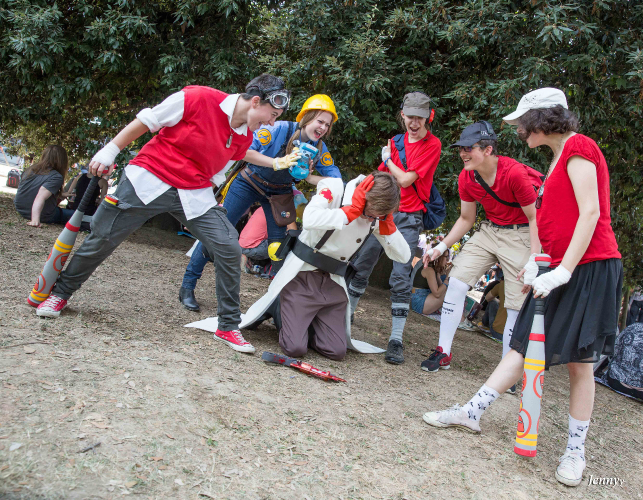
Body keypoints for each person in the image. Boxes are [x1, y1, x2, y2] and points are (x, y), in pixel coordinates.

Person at [423, 88, 623, 487]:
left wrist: (563, 271)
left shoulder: (579, 147)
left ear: (543, 119)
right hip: (558, 267)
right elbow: (554, 219)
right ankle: (473, 411)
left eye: (522, 122)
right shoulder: (557, 157)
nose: (518, 130)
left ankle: (575, 451)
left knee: (580, 363)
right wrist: (539, 260)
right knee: (522, 345)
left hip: (589, 268)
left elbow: (591, 213)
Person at [35, 74, 292, 355]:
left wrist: (210, 206)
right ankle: (60, 294)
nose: (272, 123)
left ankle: (228, 326)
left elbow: (220, 168)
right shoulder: (198, 98)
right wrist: (111, 150)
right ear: (255, 102)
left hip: (193, 193)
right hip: (148, 178)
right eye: (272, 115)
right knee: (103, 238)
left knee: (229, 246)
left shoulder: (245, 136)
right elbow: (147, 120)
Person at [179, 95, 341, 310]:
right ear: (306, 118)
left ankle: (278, 305)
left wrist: (310, 177)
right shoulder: (279, 129)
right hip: (249, 182)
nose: (323, 127)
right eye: (320, 121)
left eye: (327, 125)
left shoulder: (319, 148)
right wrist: (278, 162)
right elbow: (244, 151)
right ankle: (188, 286)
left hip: (280, 192)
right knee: (216, 233)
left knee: (279, 248)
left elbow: (336, 180)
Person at [238, 172, 411, 360]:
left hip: (333, 284)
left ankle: (306, 321)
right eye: (369, 214)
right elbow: (309, 219)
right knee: (294, 348)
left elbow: (403, 256)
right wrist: (349, 212)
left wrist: (389, 227)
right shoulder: (335, 189)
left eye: (378, 217)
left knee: (336, 351)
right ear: (364, 197)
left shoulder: (375, 217)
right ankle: (279, 304)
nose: (371, 220)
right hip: (301, 277)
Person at [420, 120, 542, 372]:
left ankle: (507, 371)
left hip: (520, 233)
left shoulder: (514, 174)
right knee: (456, 282)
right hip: (489, 230)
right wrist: (440, 248)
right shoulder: (466, 177)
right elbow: (466, 219)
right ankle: (443, 351)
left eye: (468, 148)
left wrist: (534, 259)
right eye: (461, 149)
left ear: (488, 150)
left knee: (515, 304)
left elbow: (535, 218)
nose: (463, 154)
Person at [347, 92, 442, 365]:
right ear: (402, 115)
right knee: (361, 264)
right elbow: (382, 178)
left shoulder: (432, 144)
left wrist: (388, 160)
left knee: (401, 276)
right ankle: (345, 319)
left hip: (410, 218)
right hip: (383, 213)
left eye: (420, 118)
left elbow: (405, 180)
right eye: (410, 117)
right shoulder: (396, 142)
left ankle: (396, 340)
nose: (414, 123)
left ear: (428, 117)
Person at [14, 145, 75, 227]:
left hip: (21, 210)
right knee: (77, 216)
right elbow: (40, 197)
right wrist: (35, 220)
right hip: (42, 214)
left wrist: (61, 194)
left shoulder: (31, 169)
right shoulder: (56, 176)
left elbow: (32, 190)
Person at [410, 249, 450, 316]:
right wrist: (447, 279)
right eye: (446, 257)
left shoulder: (432, 268)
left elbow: (441, 288)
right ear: (439, 257)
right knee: (449, 293)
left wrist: (440, 275)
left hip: (421, 299)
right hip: (419, 303)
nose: (447, 260)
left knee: (447, 291)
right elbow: (437, 294)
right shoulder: (429, 270)